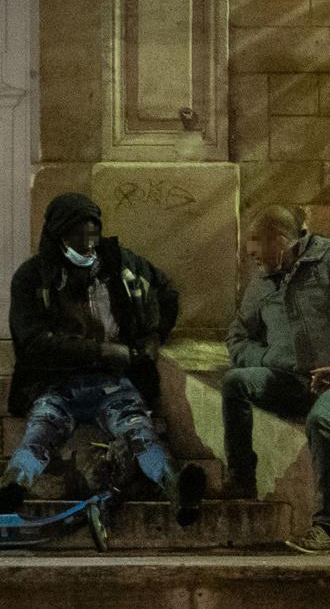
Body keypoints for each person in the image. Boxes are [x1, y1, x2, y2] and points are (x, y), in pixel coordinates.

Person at [1, 193, 205, 524]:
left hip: (114, 384)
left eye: (91, 238)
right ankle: (13, 486)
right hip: (56, 385)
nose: (87, 247)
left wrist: (153, 337)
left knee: (139, 431)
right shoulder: (33, 277)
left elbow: (166, 291)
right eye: (77, 239)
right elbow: (34, 342)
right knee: (40, 432)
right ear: (58, 237)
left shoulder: (120, 264)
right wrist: (100, 351)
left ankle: (177, 489)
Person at [221, 205, 330, 553]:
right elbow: (237, 337)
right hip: (289, 380)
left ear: (280, 241)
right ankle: (241, 480)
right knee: (235, 382)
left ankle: (328, 528)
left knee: (321, 420)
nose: (252, 261)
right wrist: (267, 359)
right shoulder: (263, 278)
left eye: (256, 251)